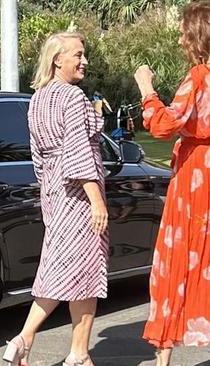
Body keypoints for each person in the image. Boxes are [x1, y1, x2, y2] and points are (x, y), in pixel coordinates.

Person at [2, 32, 108, 366]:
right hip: (78, 197)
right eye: (77, 54)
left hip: (54, 192)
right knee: (86, 271)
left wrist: (48, 193)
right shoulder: (72, 97)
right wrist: (97, 201)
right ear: (56, 59)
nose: (84, 60)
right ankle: (73, 353)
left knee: (61, 269)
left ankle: (41, 342)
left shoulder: (38, 98)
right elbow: (78, 153)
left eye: (84, 54)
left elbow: (38, 158)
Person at [134, 2, 210, 365]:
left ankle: (163, 360)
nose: (180, 39)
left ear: (197, 36)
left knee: (177, 257)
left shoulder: (198, 76)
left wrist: (146, 89)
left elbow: (165, 125)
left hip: (196, 179)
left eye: (183, 32)